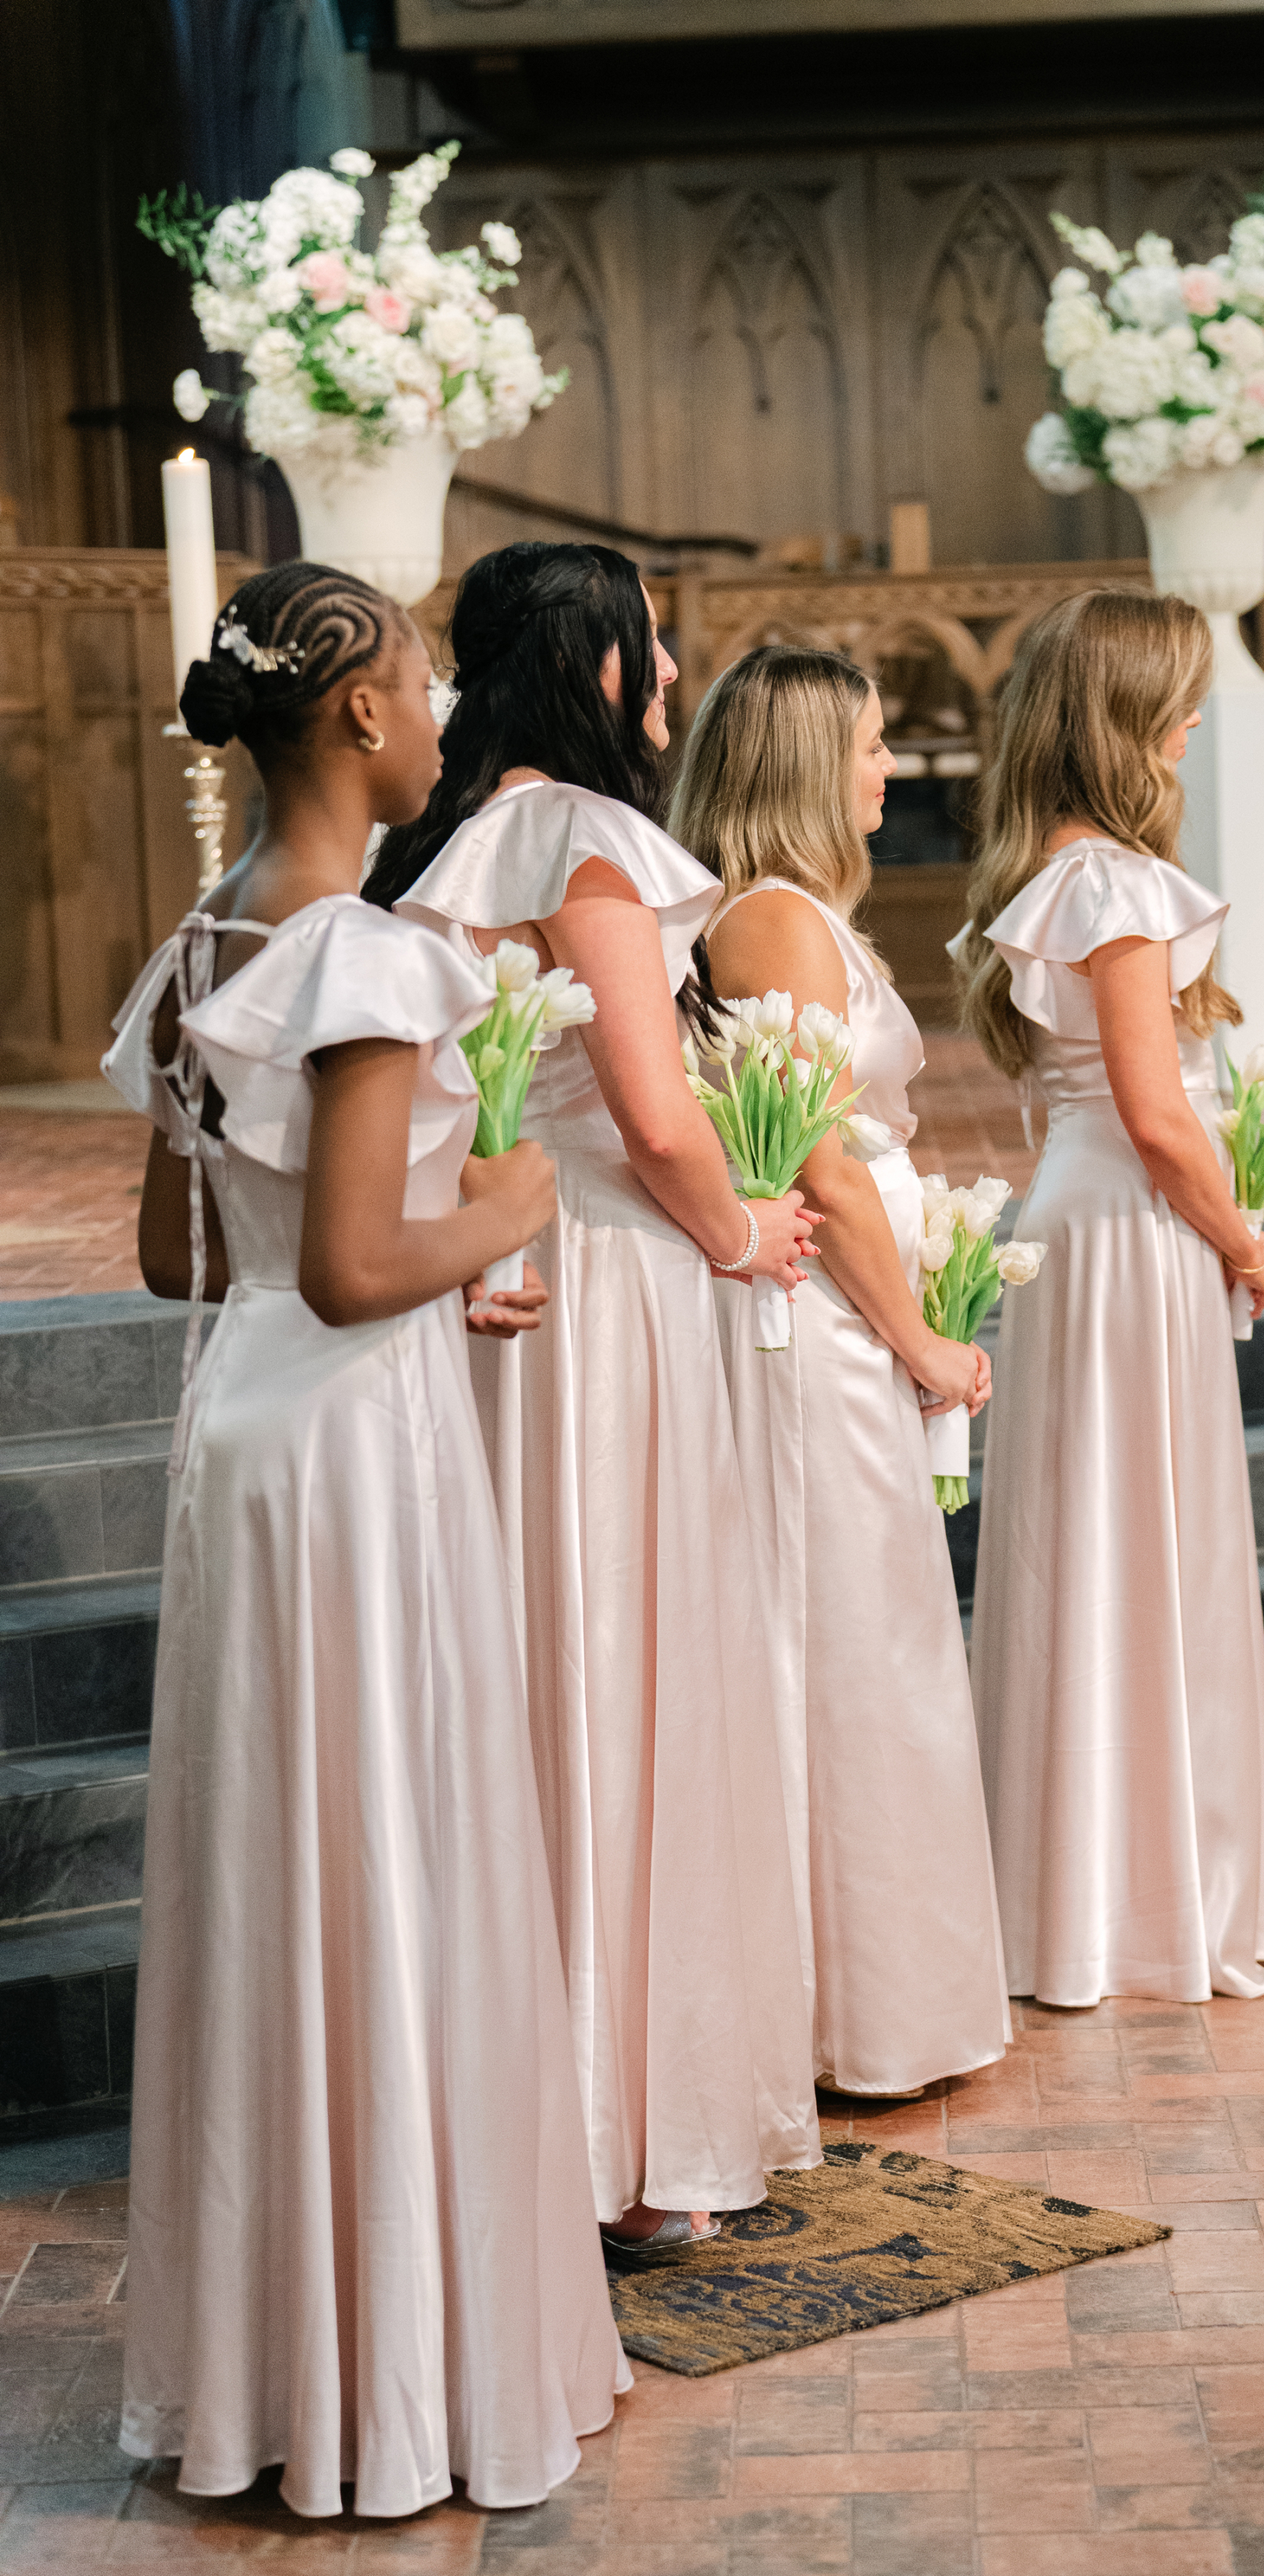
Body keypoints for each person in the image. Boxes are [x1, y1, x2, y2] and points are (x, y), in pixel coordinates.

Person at [104, 562, 627, 2517]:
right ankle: (398, 2373)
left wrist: (424, 1274)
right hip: (352, 1461)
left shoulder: (201, 941)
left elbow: (191, 1256)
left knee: (278, 1873)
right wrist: (516, 1207)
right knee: (389, 1857)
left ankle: (273, 2366)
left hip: (242, 1448)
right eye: (416, 687)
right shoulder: (377, 953)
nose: (433, 718)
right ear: (358, 722)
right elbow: (348, 1265)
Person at [364, 542, 822, 2246]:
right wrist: (745, 1227)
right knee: (626, 1660)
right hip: (613, 1289)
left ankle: (515, 2108)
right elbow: (648, 1103)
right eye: (653, 638)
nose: (673, 665)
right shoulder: (586, 842)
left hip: (490, 1284)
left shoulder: (439, 847)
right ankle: (627, 2144)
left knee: (525, 1663)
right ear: (601, 660)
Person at [669, 644, 1013, 2097]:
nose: (889, 769)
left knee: (879, 1645)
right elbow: (826, 1162)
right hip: (820, 1320)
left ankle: (885, 1997)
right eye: (871, 746)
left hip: (851, 1303)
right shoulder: (773, 924)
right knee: (847, 1651)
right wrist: (920, 1332)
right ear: (809, 765)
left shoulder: (803, 917)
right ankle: (836, 2017)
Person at [955, 587, 1264, 2007]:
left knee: (1078, 1553)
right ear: (1125, 721)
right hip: (1138, 1221)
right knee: (1146, 1546)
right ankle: (1151, 1902)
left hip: (1077, 1221)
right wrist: (1243, 1237)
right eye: (1178, 700)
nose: (1196, 722)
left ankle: (1079, 1893)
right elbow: (1162, 1119)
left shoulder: (1048, 874)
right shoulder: (1119, 889)